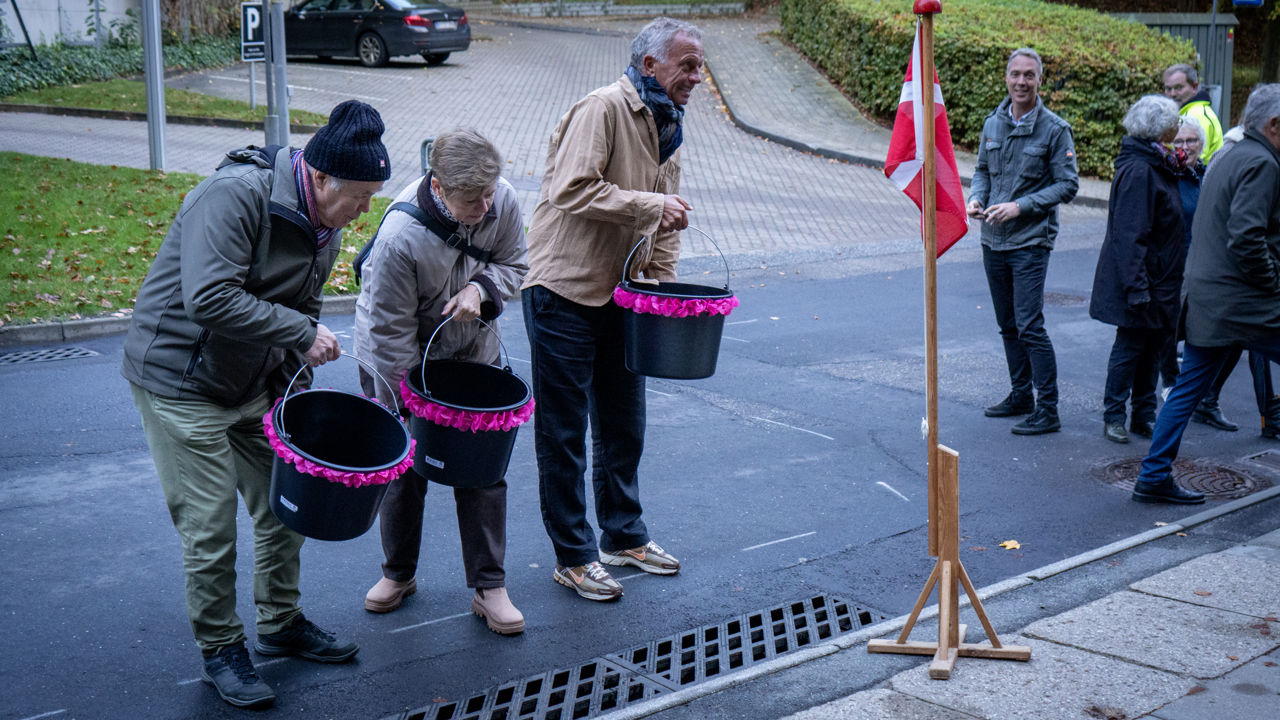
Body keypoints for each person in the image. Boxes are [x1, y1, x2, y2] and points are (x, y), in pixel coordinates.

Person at [121, 100, 391, 708]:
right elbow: (209, 298)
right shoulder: (233, 196)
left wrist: (292, 383)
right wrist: (297, 336)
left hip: (250, 383)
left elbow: (306, 306)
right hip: (180, 381)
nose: (365, 210)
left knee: (282, 507)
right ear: (320, 178)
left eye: (373, 196)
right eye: (361, 196)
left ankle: (280, 624)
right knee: (210, 527)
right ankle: (221, 648)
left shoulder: (328, 218)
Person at [521, 16, 702, 601]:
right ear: (649, 65)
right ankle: (573, 555)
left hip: (624, 295)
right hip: (564, 290)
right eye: (688, 65)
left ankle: (623, 536)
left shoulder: (666, 124)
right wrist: (651, 206)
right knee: (564, 431)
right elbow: (570, 188)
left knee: (624, 425)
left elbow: (667, 219)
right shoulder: (602, 107)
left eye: (700, 66)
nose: (698, 76)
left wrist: (664, 291)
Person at [354, 128, 529, 634]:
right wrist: (411, 402)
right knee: (407, 466)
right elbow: (389, 334)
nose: (486, 205)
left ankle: (489, 586)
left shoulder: (502, 199)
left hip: (473, 349)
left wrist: (482, 287)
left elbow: (516, 263)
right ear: (439, 187)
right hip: (399, 354)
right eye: (473, 199)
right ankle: (398, 575)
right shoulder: (399, 239)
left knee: (482, 467)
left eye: (490, 194)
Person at [1133, 83, 1280, 504]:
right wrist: (1272, 282)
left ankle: (1153, 474)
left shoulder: (1231, 155)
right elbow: (1247, 237)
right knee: (1188, 388)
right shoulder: (1262, 163)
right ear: (1273, 125)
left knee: (1186, 389)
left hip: (1212, 299)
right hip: (1244, 302)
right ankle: (1154, 475)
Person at [967, 47, 1080, 435]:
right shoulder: (992, 124)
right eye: (1015, 74)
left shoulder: (1055, 129)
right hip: (992, 240)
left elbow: (1068, 185)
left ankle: (1048, 409)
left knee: (1030, 326)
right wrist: (976, 197)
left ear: (1040, 81)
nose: (1021, 82)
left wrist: (1020, 207)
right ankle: (1021, 395)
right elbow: (982, 170)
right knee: (1008, 325)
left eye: (1029, 75)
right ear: (1006, 78)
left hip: (1030, 241)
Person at [1089, 95, 1187, 444]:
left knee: (1153, 347)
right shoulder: (1141, 169)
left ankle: (1143, 415)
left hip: (1158, 277)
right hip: (1143, 279)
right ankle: (1114, 415)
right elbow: (1130, 235)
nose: (1180, 127)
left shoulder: (1158, 162)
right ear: (1160, 128)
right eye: (1175, 122)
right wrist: (1137, 288)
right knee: (1131, 346)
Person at [1158, 117, 1207, 395]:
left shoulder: (1206, 175)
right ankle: (1170, 380)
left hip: (1201, 263)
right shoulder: (1168, 176)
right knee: (1170, 324)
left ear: (1201, 144)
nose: (1185, 147)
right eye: (1178, 141)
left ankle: (1193, 383)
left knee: (1196, 324)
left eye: (1191, 141)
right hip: (1173, 262)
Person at [1163, 63, 1224, 163]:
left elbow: (1195, 160)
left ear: (1195, 87)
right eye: (1168, 89)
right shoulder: (1187, 112)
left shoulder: (1197, 115)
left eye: (1179, 87)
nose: (1172, 94)